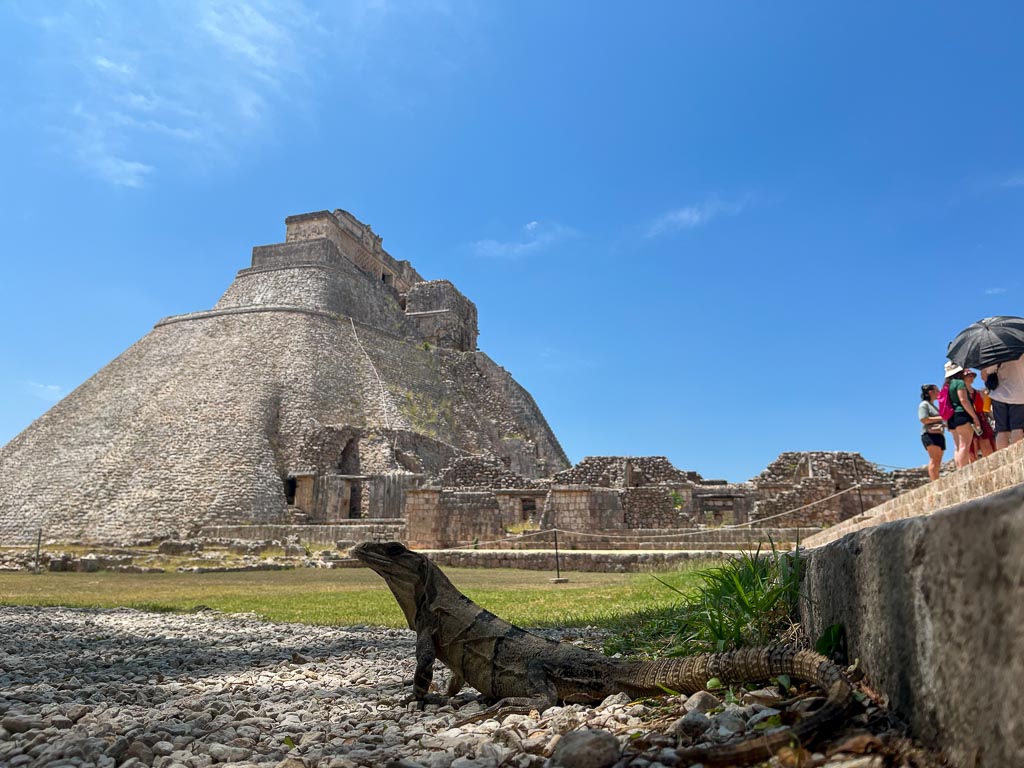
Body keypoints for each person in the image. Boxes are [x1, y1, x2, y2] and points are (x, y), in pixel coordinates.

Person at [943, 361, 983, 469]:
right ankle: (963, 470)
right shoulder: (959, 383)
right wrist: (975, 417)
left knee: (957, 447)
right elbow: (963, 400)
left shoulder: (946, 386)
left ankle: (959, 469)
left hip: (951, 418)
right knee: (964, 445)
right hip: (962, 415)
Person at [981, 352, 1024, 449]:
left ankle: (1002, 456)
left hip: (999, 395)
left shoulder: (996, 353)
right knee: (1017, 428)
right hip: (1019, 395)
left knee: (1001, 430)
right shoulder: (1020, 351)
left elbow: (985, 375)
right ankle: (1016, 453)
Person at [964, 369, 995, 460]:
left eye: (972, 376)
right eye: (968, 376)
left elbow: (986, 409)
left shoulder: (980, 393)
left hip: (981, 419)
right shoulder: (962, 394)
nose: (971, 378)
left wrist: (992, 418)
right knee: (972, 446)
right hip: (970, 419)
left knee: (986, 443)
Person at [918, 384, 945, 481]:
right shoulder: (924, 405)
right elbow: (924, 419)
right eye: (937, 391)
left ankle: (936, 479)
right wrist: (942, 417)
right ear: (930, 392)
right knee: (934, 458)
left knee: (938, 459)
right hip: (930, 434)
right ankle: (935, 481)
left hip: (939, 433)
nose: (939, 393)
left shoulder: (933, 406)